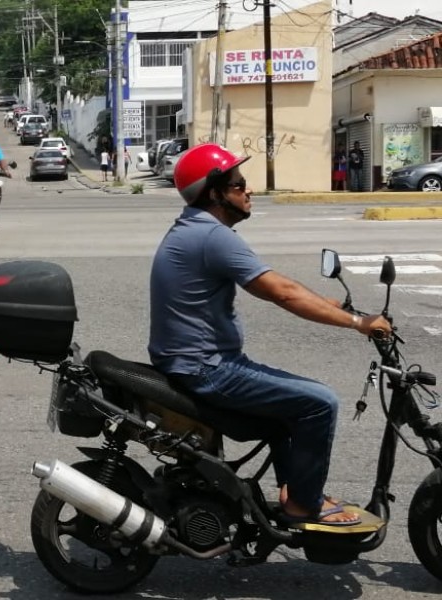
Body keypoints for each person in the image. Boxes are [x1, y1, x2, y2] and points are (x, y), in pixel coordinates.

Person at [149, 143, 392, 526]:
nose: (248, 192)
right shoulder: (212, 237)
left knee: (290, 405)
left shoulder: (194, 229)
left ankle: (293, 488)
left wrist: (331, 306)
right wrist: (359, 324)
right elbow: (281, 292)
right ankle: (302, 505)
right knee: (320, 402)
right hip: (206, 368)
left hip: (195, 361)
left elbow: (278, 282)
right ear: (215, 193)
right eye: (238, 185)